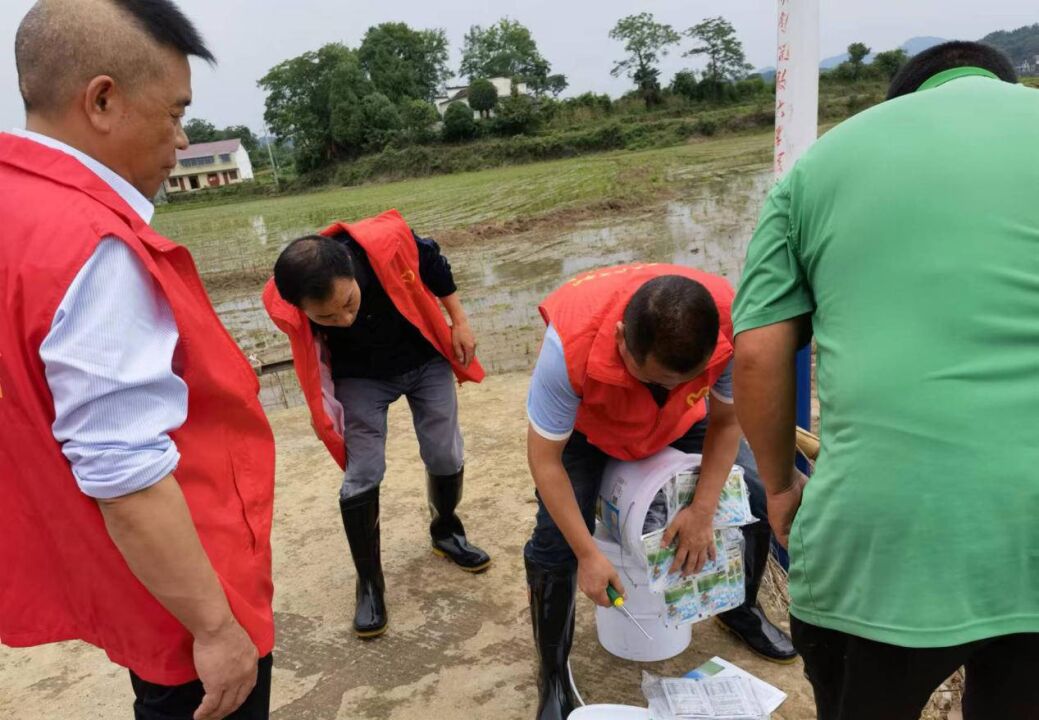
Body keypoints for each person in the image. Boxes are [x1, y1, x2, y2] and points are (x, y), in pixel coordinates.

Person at [733, 42, 1039, 720]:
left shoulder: (822, 165)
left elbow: (756, 354)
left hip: (885, 532)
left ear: (898, 103)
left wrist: (780, 484)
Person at [0, 2, 277, 719]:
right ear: (102, 100)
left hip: (104, 565)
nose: (180, 141)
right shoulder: (95, 242)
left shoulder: (14, 203)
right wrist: (215, 628)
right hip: (179, 593)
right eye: (176, 113)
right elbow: (124, 473)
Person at [524, 263, 795, 720]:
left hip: (682, 423)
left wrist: (703, 510)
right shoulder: (567, 348)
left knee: (749, 494)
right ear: (620, 339)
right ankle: (552, 674)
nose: (666, 388)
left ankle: (739, 608)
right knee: (555, 544)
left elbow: (727, 422)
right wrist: (588, 553)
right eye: (653, 379)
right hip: (590, 435)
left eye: (681, 381)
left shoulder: (729, 325)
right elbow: (545, 460)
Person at [263, 211, 491, 639]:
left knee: (444, 449)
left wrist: (459, 321)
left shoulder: (390, 246)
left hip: (423, 359)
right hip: (360, 377)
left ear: (351, 270)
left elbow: (437, 267)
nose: (343, 320)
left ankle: (446, 530)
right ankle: (369, 582)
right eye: (326, 319)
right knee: (363, 471)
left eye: (348, 303)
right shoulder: (293, 297)